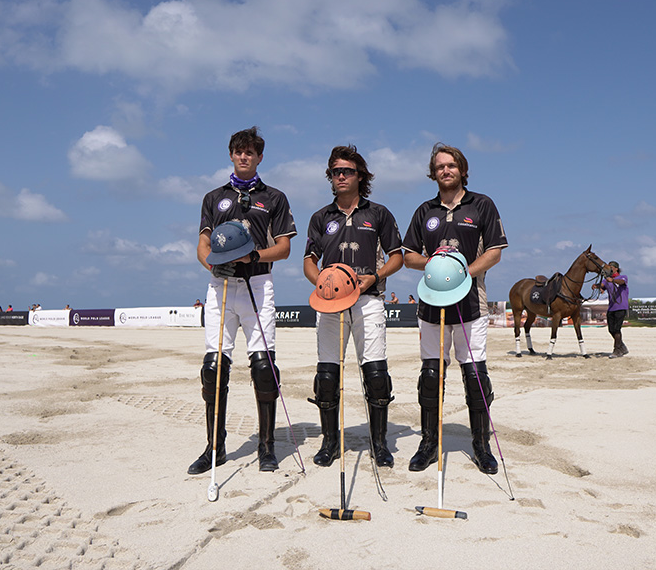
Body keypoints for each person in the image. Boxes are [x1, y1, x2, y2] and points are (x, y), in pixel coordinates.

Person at [189, 126, 296, 475]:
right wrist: (211, 264)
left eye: (251, 152)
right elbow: (203, 243)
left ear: (260, 157)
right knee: (213, 368)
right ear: (231, 155)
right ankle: (214, 447)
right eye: (239, 151)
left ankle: (267, 447)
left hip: (258, 284)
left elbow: (284, 248)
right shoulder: (213, 197)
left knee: (264, 368)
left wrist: (253, 257)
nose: (244, 156)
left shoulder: (275, 197)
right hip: (221, 288)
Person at [402, 143, 507, 475]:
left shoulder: (482, 205)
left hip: (470, 301)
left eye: (450, 166)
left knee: (474, 373)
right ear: (433, 173)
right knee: (431, 373)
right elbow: (408, 255)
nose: (445, 171)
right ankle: (429, 442)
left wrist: (463, 273)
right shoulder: (424, 210)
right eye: (439, 167)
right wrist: (434, 264)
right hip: (431, 303)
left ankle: (481, 445)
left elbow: (494, 251)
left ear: (462, 169)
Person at [303, 145, 403, 468]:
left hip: (367, 300)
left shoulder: (379, 214)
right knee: (327, 375)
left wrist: (374, 277)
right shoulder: (321, 217)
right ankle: (330, 442)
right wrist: (321, 282)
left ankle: (379, 443)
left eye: (347, 171)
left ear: (361, 176)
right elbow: (308, 260)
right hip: (331, 305)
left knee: (375, 374)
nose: (341, 176)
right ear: (330, 178)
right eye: (335, 172)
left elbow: (397, 256)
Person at [594, 261, 629, 358]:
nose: (610, 269)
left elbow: (622, 282)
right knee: (611, 329)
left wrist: (612, 280)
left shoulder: (622, 277)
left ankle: (617, 350)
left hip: (621, 306)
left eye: (611, 267)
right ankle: (622, 346)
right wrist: (596, 286)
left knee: (617, 329)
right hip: (611, 307)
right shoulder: (606, 280)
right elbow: (602, 285)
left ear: (616, 268)